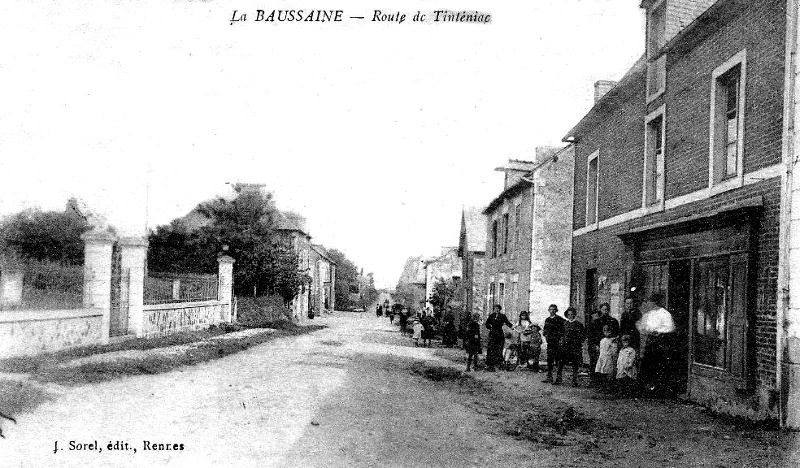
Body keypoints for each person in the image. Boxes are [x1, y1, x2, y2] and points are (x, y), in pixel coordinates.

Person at [637, 293, 676, 396]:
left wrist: (658, 330)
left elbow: (670, 327)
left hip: (661, 341)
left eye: (649, 301)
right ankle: (649, 388)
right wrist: (644, 329)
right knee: (648, 364)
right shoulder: (648, 314)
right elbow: (642, 326)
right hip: (650, 341)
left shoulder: (664, 314)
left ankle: (659, 389)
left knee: (659, 365)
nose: (647, 303)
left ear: (654, 302)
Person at [587, 302, 620, 385]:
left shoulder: (613, 321)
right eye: (603, 309)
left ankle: (608, 382)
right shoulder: (596, 322)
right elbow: (591, 336)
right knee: (597, 364)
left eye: (606, 310)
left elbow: (616, 334)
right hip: (598, 346)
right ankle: (595, 381)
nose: (605, 311)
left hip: (609, 346)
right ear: (600, 310)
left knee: (609, 364)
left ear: (608, 310)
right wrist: (595, 345)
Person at [556, 307, 585, 387]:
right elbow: (561, 334)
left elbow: (582, 335)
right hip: (565, 346)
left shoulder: (578, 324)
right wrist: (561, 341)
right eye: (568, 314)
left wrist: (578, 342)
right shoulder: (565, 324)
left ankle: (574, 380)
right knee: (561, 362)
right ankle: (559, 378)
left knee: (575, 363)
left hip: (574, 347)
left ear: (574, 315)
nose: (570, 316)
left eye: (572, 314)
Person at [485, 304, 513, 372]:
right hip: (492, 334)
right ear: (494, 309)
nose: (496, 310)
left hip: (499, 334)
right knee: (491, 349)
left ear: (500, 309)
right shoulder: (491, 315)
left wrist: (512, 327)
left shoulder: (502, 316)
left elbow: (507, 322)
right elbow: (487, 323)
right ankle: (490, 365)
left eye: (498, 308)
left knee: (499, 349)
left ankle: (499, 364)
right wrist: (489, 326)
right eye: (495, 308)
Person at [542, 304, 566, 383]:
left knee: (558, 360)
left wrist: (561, 339)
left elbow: (564, 329)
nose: (552, 311)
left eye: (554, 309)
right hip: (550, 342)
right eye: (551, 309)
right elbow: (545, 330)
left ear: (556, 310)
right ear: (548, 310)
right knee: (550, 360)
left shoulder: (560, 319)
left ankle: (559, 377)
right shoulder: (547, 320)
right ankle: (549, 377)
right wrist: (546, 335)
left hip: (557, 342)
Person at [594, 324, 619, 392]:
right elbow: (601, 349)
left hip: (608, 358)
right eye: (605, 331)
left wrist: (614, 358)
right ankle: (602, 386)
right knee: (601, 372)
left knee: (607, 372)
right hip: (601, 357)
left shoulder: (612, 341)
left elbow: (614, 351)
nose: (607, 333)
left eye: (609, 331)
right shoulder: (602, 340)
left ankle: (609, 387)